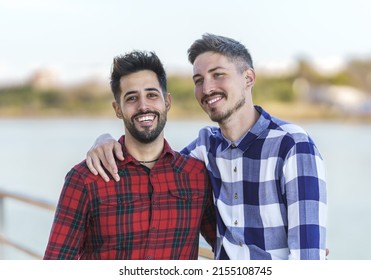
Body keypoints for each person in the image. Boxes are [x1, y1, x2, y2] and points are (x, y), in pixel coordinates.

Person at [86, 34, 327, 260]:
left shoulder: (293, 145)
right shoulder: (205, 147)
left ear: (248, 78)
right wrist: (104, 140)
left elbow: (307, 259)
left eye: (218, 74)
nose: (207, 88)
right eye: (198, 80)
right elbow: (153, 164)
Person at [44, 50, 216, 260]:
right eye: (132, 98)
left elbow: (226, 242)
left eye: (152, 95)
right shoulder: (85, 179)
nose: (143, 106)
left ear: (167, 102)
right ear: (118, 109)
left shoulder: (196, 175)